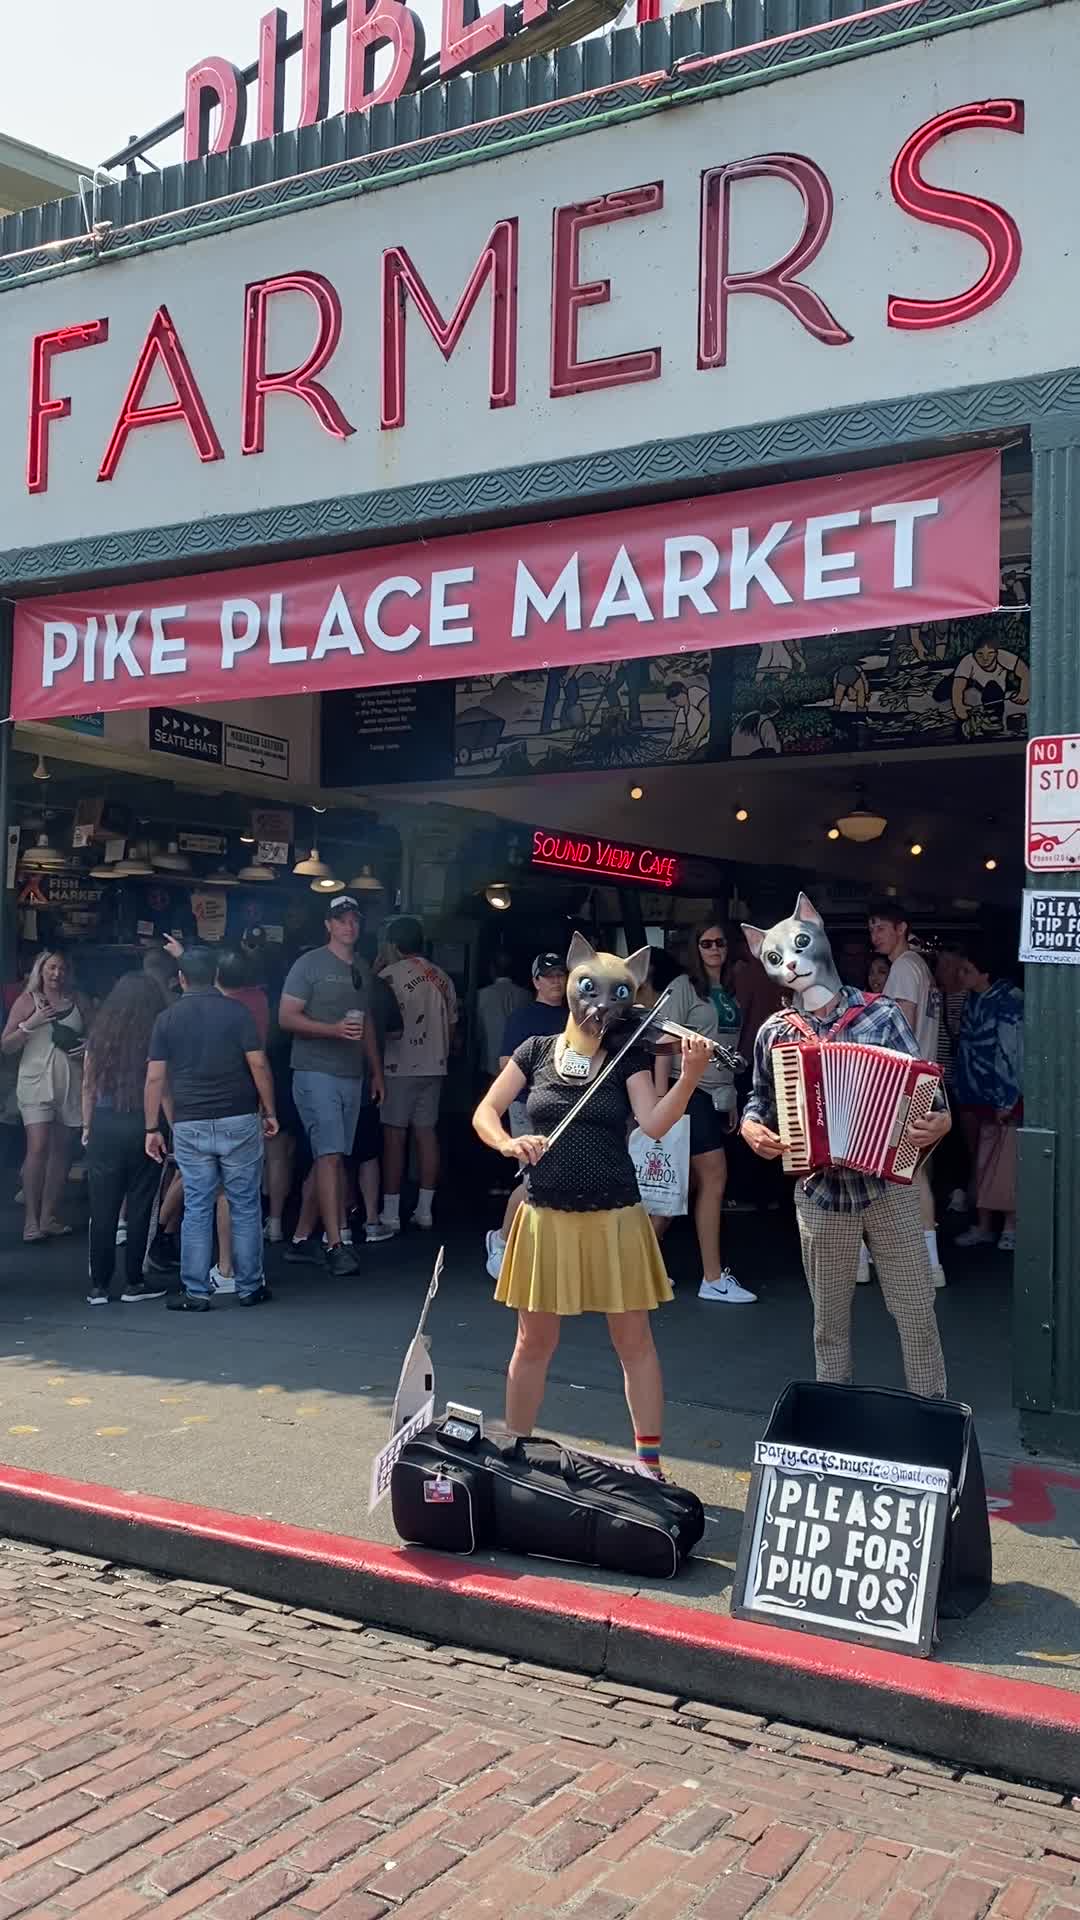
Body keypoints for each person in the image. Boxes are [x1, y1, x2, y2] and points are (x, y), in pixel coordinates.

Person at [473, 934, 713, 1476]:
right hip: (544, 1215)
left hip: (615, 1215)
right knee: (533, 1340)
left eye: (617, 993)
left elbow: (653, 1124)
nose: (600, 1004)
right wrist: (509, 1143)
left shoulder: (625, 1060)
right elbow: (485, 1111)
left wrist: (691, 1076)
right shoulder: (534, 1051)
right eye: (590, 988)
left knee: (633, 1340)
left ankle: (650, 1462)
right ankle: (515, 1448)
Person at [741, 894, 950, 1398]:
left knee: (918, 1313)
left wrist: (938, 1123)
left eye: (795, 948)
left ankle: (933, 1416)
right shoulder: (775, 1033)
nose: (789, 964)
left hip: (888, 1188)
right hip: (819, 1194)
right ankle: (834, 1422)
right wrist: (751, 1127)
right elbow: (760, 1098)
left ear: (819, 935)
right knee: (828, 1323)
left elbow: (930, 1094)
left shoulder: (880, 1016)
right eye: (773, 957)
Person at [144, 945, 278, 1312]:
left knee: (199, 1206)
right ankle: (250, 1286)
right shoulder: (237, 1013)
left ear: (182, 979)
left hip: (190, 1122)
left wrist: (151, 1127)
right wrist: (269, 1109)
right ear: (215, 976)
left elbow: (155, 1078)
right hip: (238, 1118)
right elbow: (259, 1065)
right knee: (245, 1204)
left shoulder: (167, 1019)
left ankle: (196, 1291)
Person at [279, 897, 385, 1277]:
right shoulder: (309, 964)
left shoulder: (360, 968)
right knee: (331, 1157)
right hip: (314, 1070)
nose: (349, 927)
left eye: (354, 920)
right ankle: (335, 1242)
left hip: (351, 1073)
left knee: (333, 1155)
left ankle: (302, 1239)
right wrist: (333, 1030)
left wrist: (376, 1070)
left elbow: (367, 1022)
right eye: (341, 920)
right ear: (328, 925)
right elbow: (286, 1017)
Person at [652, 921, 755, 1305]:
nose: (714, 949)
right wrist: (664, 1104)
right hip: (688, 1091)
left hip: (716, 1096)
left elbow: (726, 1050)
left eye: (720, 943)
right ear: (695, 948)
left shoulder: (729, 989)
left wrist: (729, 1099)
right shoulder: (683, 987)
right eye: (706, 943)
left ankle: (640, 1265)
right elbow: (663, 1042)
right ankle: (712, 1277)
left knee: (681, 1186)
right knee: (713, 1179)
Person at [868, 903, 945, 1290]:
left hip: (905, 1081)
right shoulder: (921, 967)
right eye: (872, 928)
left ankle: (928, 1265)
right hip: (927, 1078)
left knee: (907, 1175)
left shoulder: (901, 969)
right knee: (916, 1172)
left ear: (902, 927)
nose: (875, 934)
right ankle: (923, 1259)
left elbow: (900, 1028)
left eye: (881, 927)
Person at [81, 974, 168, 1306]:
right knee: (142, 1203)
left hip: (104, 1124)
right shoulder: (155, 1035)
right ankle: (135, 1280)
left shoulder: (99, 1036)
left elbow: (88, 1087)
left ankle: (99, 1286)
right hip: (143, 1123)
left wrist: (87, 1127)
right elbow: (162, 1086)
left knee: (102, 1207)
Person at [484, 951, 568, 1278]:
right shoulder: (522, 1017)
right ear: (535, 981)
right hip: (526, 1103)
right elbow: (505, 1063)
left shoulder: (574, 1017)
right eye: (548, 975)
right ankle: (502, 1240)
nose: (556, 981)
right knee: (535, 1175)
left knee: (557, 1177)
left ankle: (539, 1247)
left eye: (560, 974)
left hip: (564, 1107)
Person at [2, 951, 90, 1243]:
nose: (57, 974)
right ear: (40, 970)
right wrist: (32, 1022)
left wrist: (90, 1045)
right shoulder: (27, 1001)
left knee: (61, 1151)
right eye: (52, 968)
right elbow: (6, 1045)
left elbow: (103, 1033)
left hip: (70, 1081)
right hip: (36, 1081)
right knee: (38, 1146)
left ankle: (48, 1216)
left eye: (62, 968)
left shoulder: (79, 1000)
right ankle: (31, 1221)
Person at [379, 917, 458, 1232]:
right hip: (435, 1065)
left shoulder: (389, 976)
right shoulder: (443, 977)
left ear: (394, 945)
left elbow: (377, 1019)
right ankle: (425, 1209)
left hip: (399, 1066)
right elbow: (452, 1026)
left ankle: (391, 1212)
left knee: (394, 1136)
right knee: (427, 1134)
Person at [951, 939, 1024, 1254]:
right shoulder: (973, 999)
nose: (960, 975)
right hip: (975, 1095)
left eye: (967, 970)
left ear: (986, 973)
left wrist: (1006, 1100)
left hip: (1003, 1098)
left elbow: (1012, 1054)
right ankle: (983, 1226)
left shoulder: (1010, 1001)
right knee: (983, 1163)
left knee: (1006, 1165)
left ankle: (1010, 1226)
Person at [476, 953, 527, 1080]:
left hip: (488, 1060)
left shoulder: (481, 995)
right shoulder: (526, 996)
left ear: (492, 970)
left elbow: (477, 1030)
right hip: (518, 1062)